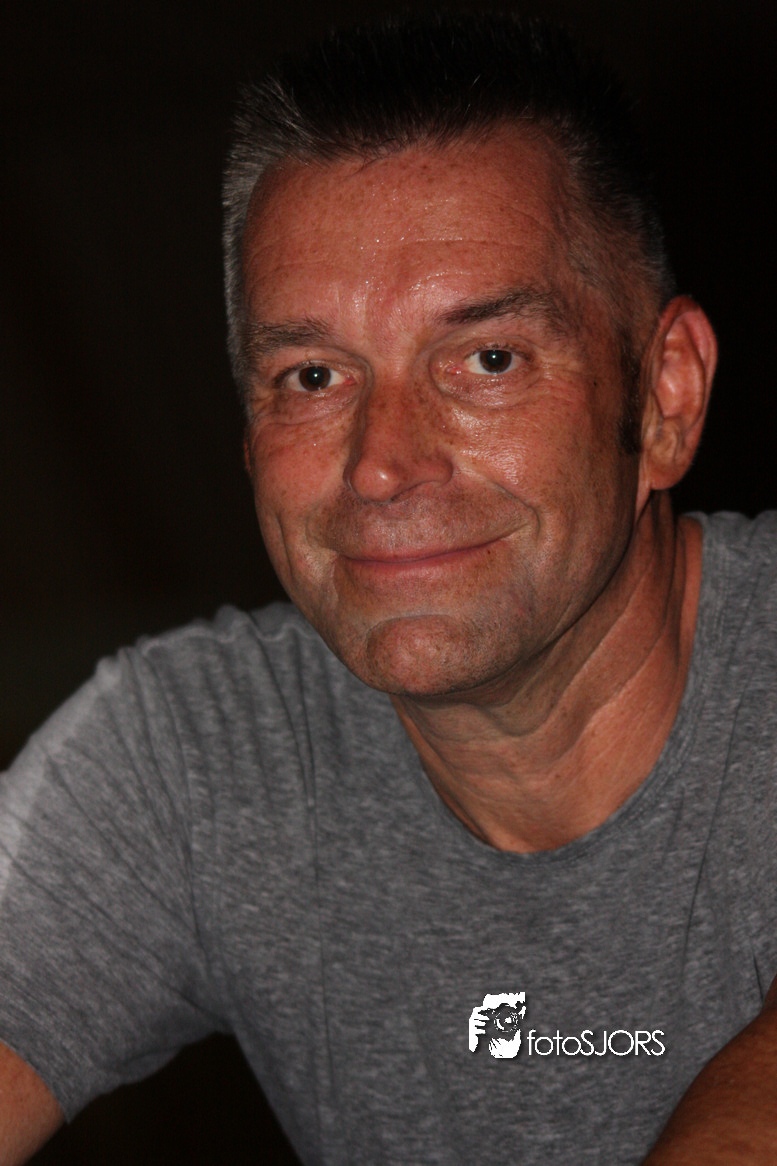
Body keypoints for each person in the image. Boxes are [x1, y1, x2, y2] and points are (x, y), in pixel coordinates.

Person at [1, 9, 776, 1164]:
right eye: (313, 376)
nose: (380, 462)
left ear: (666, 396)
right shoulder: (195, 755)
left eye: (488, 359)